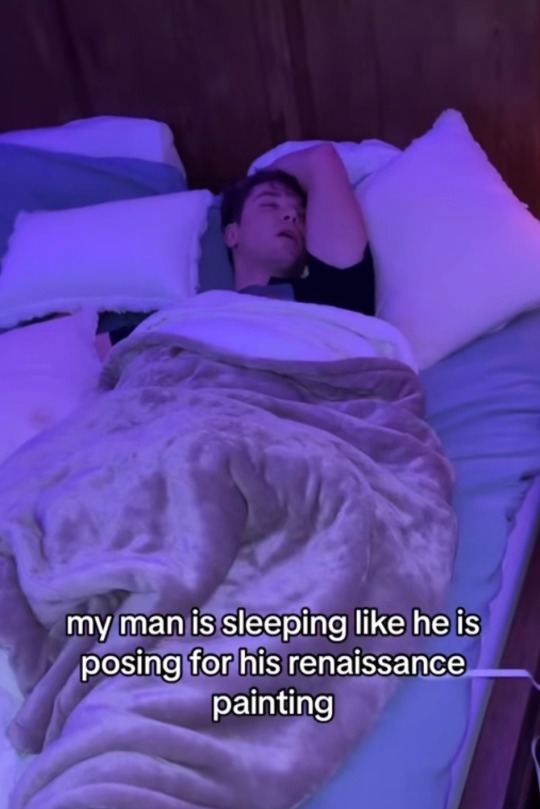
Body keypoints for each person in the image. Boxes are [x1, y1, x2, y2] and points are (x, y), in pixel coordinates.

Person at [220, 143, 375, 315]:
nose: (292, 215)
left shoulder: (335, 296)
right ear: (232, 234)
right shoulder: (207, 312)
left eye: (301, 215)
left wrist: (264, 176)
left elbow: (320, 159)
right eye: (270, 204)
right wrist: (258, 180)